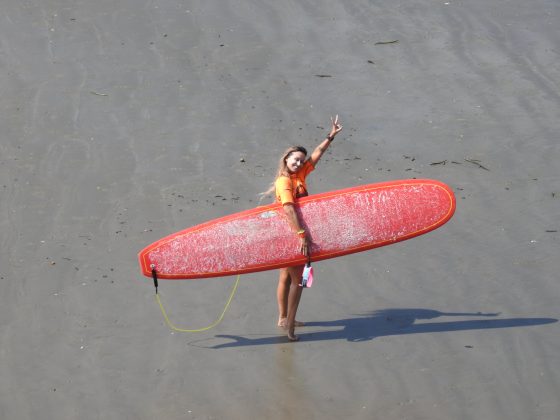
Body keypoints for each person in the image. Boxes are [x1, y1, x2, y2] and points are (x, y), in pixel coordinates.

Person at [267, 115, 343, 341]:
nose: (299, 163)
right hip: (292, 232)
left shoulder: (299, 174)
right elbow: (289, 208)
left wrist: (330, 136)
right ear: (286, 159)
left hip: (284, 231)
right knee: (298, 280)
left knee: (285, 278)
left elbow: (316, 157)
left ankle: (283, 318)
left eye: (301, 160)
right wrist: (302, 236)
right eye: (295, 160)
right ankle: (289, 327)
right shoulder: (284, 181)